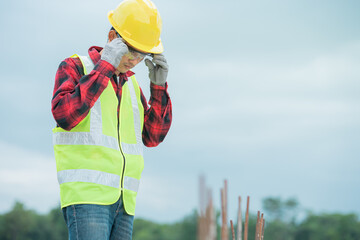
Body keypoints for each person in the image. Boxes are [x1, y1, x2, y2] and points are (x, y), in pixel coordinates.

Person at [51, 0, 172, 239]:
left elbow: (153, 136)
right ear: (111, 37)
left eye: (142, 53)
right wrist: (106, 65)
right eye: (130, 49)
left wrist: (158, 87)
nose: (134, 59)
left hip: (125, 201)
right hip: (87, 197)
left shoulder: (131, 84)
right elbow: (65, 115)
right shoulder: (75, 67)